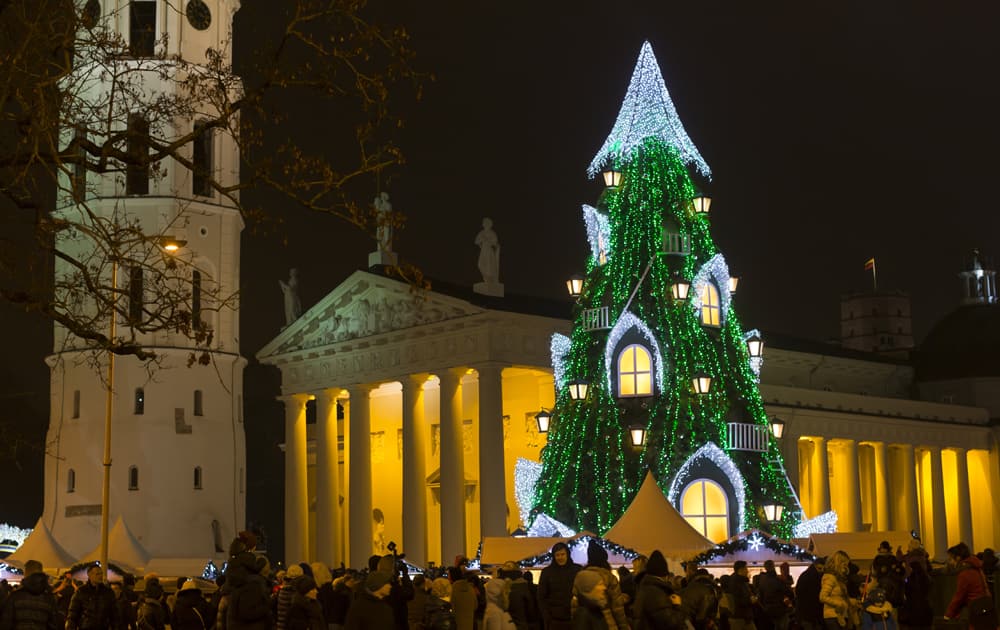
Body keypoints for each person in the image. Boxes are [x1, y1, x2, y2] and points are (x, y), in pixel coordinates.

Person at [574, 541, 629, 630]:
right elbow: (617, 607)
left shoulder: (580, 576)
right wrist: (623, 627)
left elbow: (574, 603)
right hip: (606, 622)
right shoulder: (609, 577)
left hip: (585, 622)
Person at [944, 542, 995, 629]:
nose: (950, 562)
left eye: (951, 559)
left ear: (958, 558)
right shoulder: (976, 567)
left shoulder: (965, 573)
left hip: (976, 610)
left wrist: (948, 614)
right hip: (986, 606)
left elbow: (959, 596)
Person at [634, 549, 687, 630]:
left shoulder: (644, 588)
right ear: (664, 574)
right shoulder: (657, 593)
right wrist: (678, 606)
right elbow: (672, 623)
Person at [0, 559, 59, 630]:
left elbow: (6, 623)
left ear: (26, 574)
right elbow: (54, 625)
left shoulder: (15, 596)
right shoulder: (49, 598)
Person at [538, 542, 581, 630]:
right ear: (554, 556)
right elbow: (541, 596)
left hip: (574, 617)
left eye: (562, 554)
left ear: (567, 554)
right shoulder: (547, 572)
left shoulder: (577, 570)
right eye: (557, 555)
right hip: (554, 619)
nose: (560, 557)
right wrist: (546, 616)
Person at [65, 564, 119, 630]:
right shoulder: (81, 592)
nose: (100, 576)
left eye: (101, 573)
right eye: (97, 574)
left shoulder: (108, 592)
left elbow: (115, 616)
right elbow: (73, 614)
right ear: (90, 575)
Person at [756, 560, 794, 630]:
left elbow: (760, 595)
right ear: (773, 566)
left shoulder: (762, 580)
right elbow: (789, 593)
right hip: (780, 609)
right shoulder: (777, 579)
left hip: (767, 610)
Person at [819, 551, 852, 630]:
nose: (846, 568)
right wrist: (839, 604)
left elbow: (840, 596)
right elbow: (822, 597)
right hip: (832, 616)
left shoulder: (839, 579)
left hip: (840, 615)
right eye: (844, 565)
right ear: (839, 563)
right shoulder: (830, 577)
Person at [681, 566, 721, 630]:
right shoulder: (711, 588)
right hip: (703, 622)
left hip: (687, 620)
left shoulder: (690, 587)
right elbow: (703, 611)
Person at [897, 560, 932, 630]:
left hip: (912, 602)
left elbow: (907, 588)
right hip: (923, 602)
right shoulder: (925, 577)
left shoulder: (910, 578)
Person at [870, 542, 904, 611]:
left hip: (892, 576)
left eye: (884, 548)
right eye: (882, 548)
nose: (883, 550)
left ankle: (897, 602)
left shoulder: (892, 557)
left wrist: (896, 568)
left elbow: (897, 566)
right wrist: (881, 569)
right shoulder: (878, 558)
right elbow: (875, 569)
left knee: (898, 583)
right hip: (882, 577)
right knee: (887, 584)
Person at [795, 557, 825, 630]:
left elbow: (798, 591)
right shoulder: (817, 577)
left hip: (805, 612)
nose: (822, 570)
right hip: (813, 611)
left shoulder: (805, 575)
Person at [475, 218, 501, 284]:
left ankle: (489, 280)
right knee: (480, 265)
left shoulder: (492, 233)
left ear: (490, 225)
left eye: (487, 223)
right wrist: (481, 241)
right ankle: (486, 279)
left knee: (489, 267)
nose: (485, 224)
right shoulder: (481, 232)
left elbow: (495, 242)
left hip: (489, 251)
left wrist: (487, 240)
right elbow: (476, 241)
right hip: (483, 251)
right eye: (484, 223)